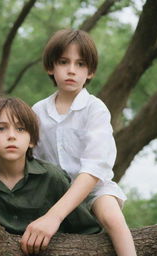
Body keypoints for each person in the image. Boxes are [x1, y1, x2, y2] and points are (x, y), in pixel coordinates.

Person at [21, 29, 137, 256]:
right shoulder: (37, 111)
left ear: (90, 71)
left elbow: (95, 168)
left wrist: (55, 216)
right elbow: (30, 159)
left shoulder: (95, 109)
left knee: (113, 216)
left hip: (94, 189)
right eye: (64, 62)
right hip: (52, 191)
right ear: (50, 67)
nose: (71, 70)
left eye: (80, 64)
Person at [0, 97, 101, 242]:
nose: (11, 136)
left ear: (32, 140)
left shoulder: (53, 178)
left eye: (20, 129)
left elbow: (89, 231)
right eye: (1, 128)